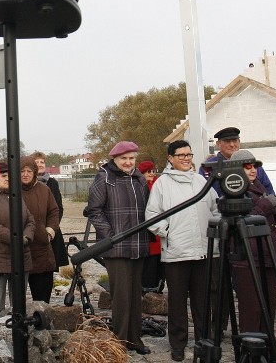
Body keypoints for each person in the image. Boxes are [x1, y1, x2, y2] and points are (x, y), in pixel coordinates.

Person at [145, 140, 218, 362]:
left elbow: (216, 209)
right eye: (181, 155)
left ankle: (203, 341)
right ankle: (178, 344)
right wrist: (169, 233)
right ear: (170, 158)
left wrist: (214, 232)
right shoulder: (162, 184)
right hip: (176, 253)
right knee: (177, 302)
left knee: (202, 302)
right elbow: (152, 215)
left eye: (189, 154)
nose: (186, 158)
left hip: (203, 251)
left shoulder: (202, 182)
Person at [85, 141, 151, 354]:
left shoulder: (139, 179)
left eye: (131, 158)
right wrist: (111, 236)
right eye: (124, 158)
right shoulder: (104, 177)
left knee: (135, 296)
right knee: (121, 298)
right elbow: (94, 210)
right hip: (116, 247)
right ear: (115, 159)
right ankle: (119, 343)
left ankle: (135, 339)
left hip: (138, 245)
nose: (128, 162)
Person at [227, 150, 276, 335]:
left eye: (255, 166)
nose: (252, 170)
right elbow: (242, 217)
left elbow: (275, 215)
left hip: (268, 252)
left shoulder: (260, 186)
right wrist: (267, 204)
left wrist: (272, 206)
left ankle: (267, 344)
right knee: (251, 306)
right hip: (247, 255)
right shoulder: (233, 189)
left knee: (269, 303)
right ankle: (251, 346)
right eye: (247, 166)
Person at [0, 162, 35, 318]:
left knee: (19, 303)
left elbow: (30, 220)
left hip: (21, 255)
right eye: (3, 176)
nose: (8, 179)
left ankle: (18, 334)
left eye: (10, 176)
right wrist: (16, 238)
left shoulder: (17, 196)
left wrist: (26, 237)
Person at [20, 155, 61, 303]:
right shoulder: (11, 191)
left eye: (29, 171)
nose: (25, 174)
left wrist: (50, 231)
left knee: (43, 297)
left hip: (42, 247)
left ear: (34, 173)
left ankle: (42, 323)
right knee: (18, 298)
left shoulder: (44, 190)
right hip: (20, 248)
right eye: (22, 171)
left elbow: (54, 211)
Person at [201, 127, 274, 195]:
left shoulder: (252, 163)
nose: (232, 145)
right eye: (227, 141)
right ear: (218, 144)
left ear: (239, 142)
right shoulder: (209, 166)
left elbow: (269, 190)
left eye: (235, 140)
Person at [33, 151, 70, 272]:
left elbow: (58, 207)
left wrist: (52, 227)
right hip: (32, 228)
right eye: (36, 162)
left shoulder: (52, 183)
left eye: (42, 162)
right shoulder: (24, 183)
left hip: (49, 230)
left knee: (49, 267)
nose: (40, 164)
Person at [138, 160, 164, 293]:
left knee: (158, 260)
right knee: (149, 263)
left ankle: (158, 286)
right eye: (148, 171)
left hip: (159, 230)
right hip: (147, 231)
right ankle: (148, 288)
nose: (152, 174)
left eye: (153, 171)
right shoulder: (140, 186)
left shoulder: (158, 185)